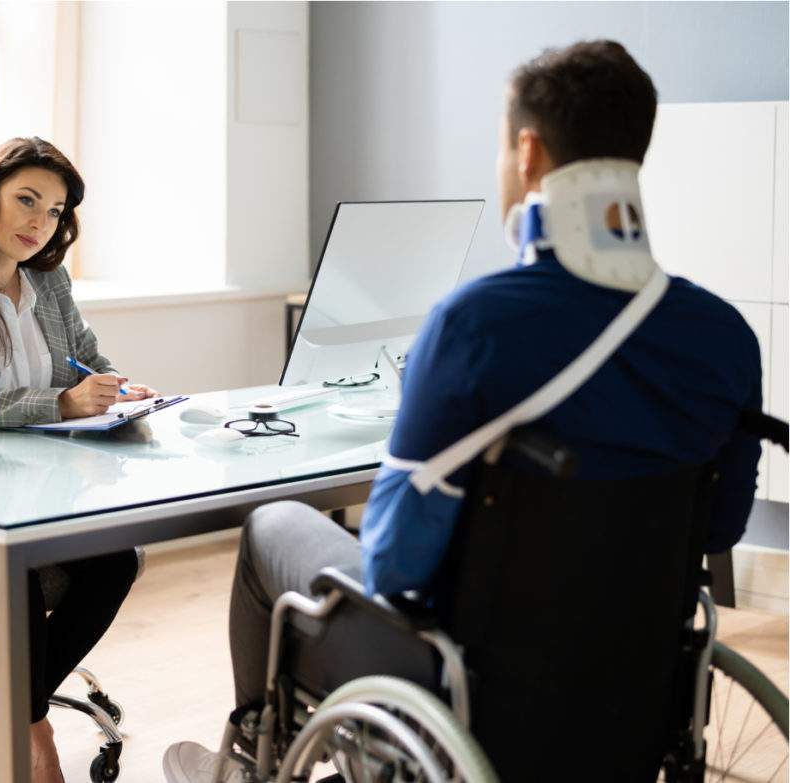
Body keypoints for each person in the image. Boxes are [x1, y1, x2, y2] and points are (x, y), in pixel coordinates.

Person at [163, 40, 762, 783]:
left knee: (272, 525)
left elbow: (394, 565)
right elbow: (721, 527)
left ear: (529, 151)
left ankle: (250, 763)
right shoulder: (724, 335)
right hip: (635, 670)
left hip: (474, 679)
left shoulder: (479, 324)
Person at [0, 137, 158, 783]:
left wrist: (115, 386)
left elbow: (89, 358)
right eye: (27, 200)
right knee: (7, 565)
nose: (39, 222)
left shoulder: (49, 277)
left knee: (114, 561)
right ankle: (28, 729)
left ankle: (8, 717)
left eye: (55, 210)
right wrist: (60, 403)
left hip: (47, 481)